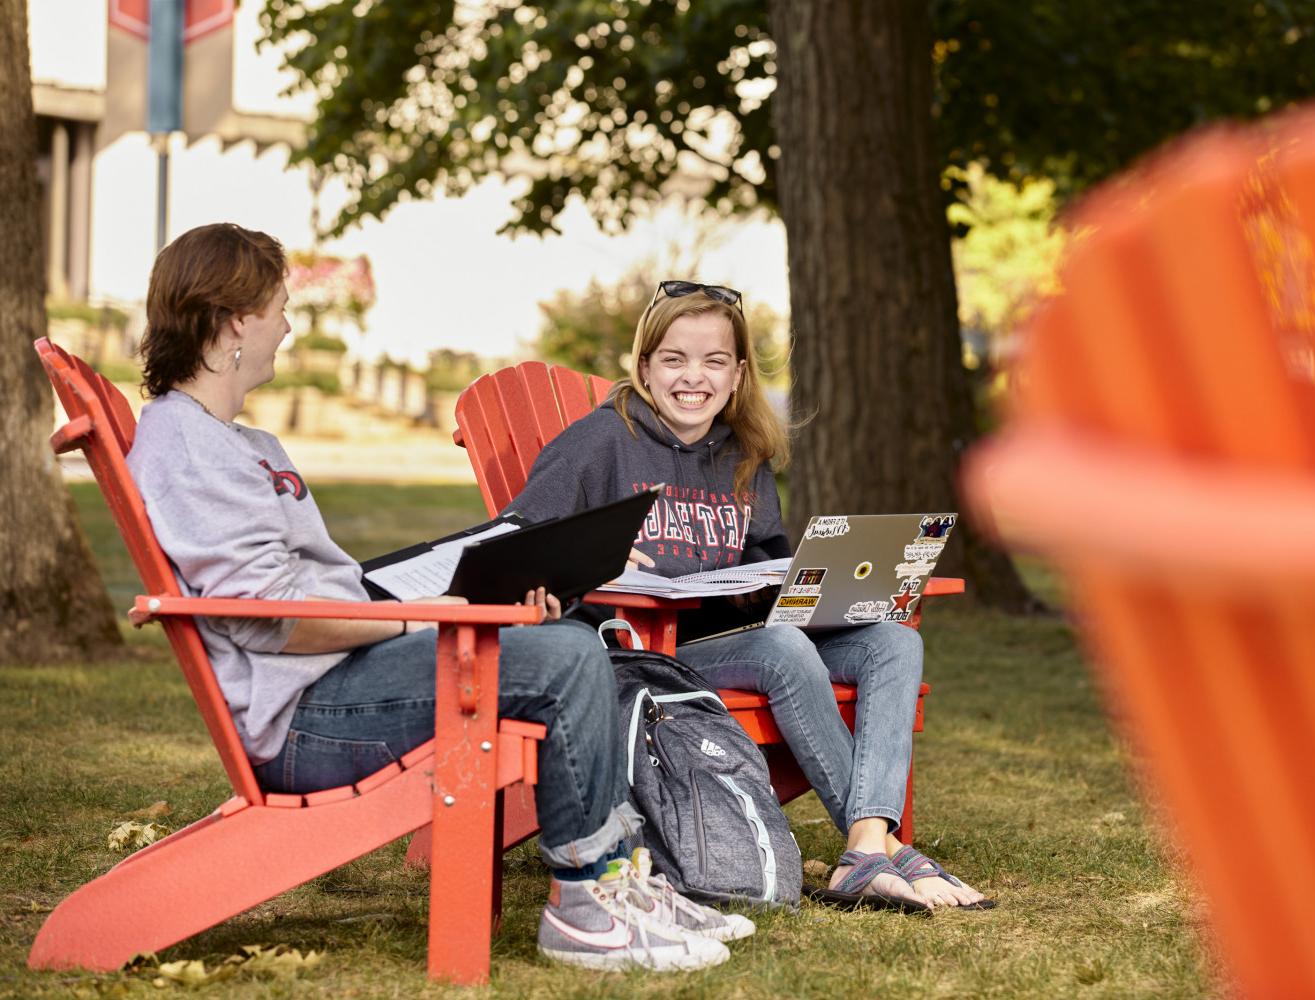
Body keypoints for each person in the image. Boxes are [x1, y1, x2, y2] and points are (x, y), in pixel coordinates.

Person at [127, 225, 754, 971]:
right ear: (235, 320)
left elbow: (312, 589)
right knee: (566, 654)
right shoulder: (187, 444)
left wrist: (456, 584)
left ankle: (619, 880)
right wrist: (431, 611)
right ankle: (588, 904)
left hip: (343, 672)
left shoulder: (243, 441)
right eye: (279, 307)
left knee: (561, 637)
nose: (288, 326)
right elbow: (274, 618)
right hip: (303, 717)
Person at [506, 279, 992, 911]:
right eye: (675, 359)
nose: (693, 378)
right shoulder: (599, 444)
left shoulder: (744, 453)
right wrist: (595, 557)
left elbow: (763, 557)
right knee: (784, 648)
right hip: (638, 658)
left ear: (737, 374)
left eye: (714, 362)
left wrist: (796, 581)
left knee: (892, 640)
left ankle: (868, 842)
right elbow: (515, 545)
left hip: (725, 639)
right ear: (645, 366)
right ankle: (875, 853)